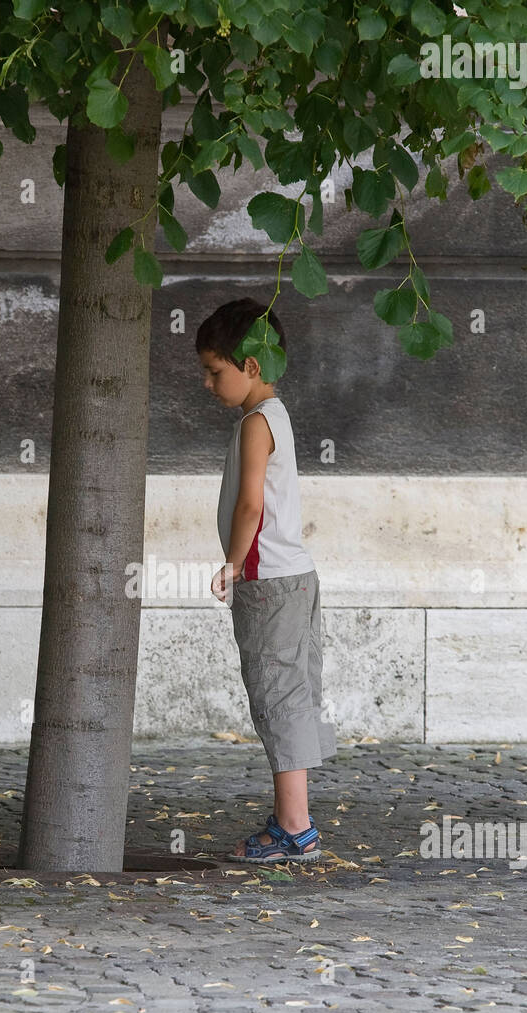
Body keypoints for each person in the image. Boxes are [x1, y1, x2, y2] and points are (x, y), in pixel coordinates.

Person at [195, 298, 337, 864]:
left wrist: (231, 562)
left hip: (268, 580)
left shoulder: (257, 424)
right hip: (296, 575)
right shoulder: (277, 415)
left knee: (275, 697)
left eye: (214, 371)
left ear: (251, 366)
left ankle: (294, 828)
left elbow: (251, 505)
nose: (208, 384)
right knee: (295, 691)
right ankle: (294, 821)